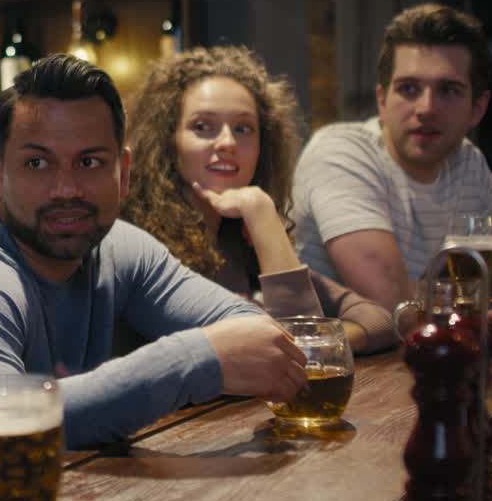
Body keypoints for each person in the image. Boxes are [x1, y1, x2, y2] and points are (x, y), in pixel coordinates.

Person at [0, 54, 309, 452]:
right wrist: (195, 359)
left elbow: (259, 336)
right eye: (37, 163)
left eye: (89, 163)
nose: (66, 189)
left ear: (123, 174)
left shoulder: (120, 249)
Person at [122, 46, 396, 354]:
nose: (227, 142)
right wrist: (261, 211)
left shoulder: (240, 238)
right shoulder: (143, 249)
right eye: (202, 127)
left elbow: (379, 321)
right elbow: (291, 354)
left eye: (243, 128)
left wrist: (259, 213)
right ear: (168, 141)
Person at [291, 3, 492, 312]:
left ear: (478, 108)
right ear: (382, 100)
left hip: (429, 341)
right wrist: (475, 305)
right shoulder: (340, 153)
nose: (426, 108)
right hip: (342, 343)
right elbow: (394, 304)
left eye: (448, 90)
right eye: (408, 88)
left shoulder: (469, 163)